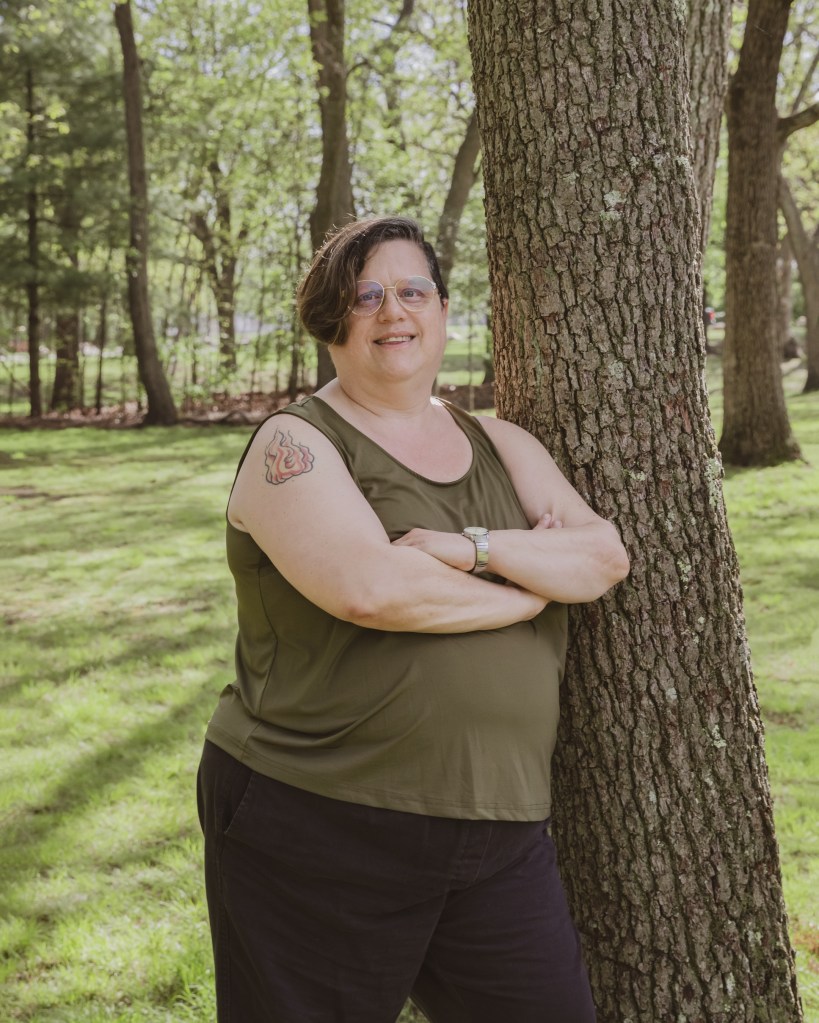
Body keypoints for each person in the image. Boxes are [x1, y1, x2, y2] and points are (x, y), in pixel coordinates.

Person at [197, 215, 630, 1023]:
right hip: (321, 819)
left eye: (412, 290)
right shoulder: (295, 443)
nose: (392, 311)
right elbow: (373, 589)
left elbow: (601, 557)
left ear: (439, 309)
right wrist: (528, 588)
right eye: (365, 295)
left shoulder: (499, 440)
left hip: (499, 830)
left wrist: (466, 548)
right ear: (331, 319)